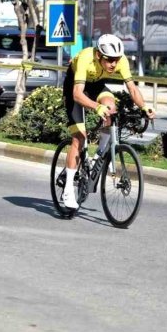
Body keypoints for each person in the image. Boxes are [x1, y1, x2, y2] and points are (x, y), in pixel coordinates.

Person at [60, 34, 155, 209]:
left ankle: (102, 152)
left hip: (97, 85)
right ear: (98, 55)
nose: (113, 64)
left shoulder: (121, 61)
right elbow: (77, 94)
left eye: (116, 60)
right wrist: (96, 107)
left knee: (111, 107)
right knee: (79, 138)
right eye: (109, 60)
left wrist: (144, 107)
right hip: (75, 87)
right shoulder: (86, 58)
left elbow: (132, 88)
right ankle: (67, 191)